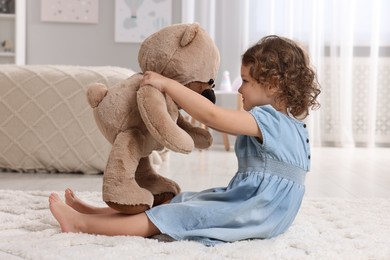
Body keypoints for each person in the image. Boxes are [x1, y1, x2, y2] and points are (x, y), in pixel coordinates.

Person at [49, 35, 321, 246]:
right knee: (182, 201)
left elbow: (212, 115)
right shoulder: (293, 125)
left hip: (255, 210)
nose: (239, 88)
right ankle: (95, 214)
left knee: (177, 216)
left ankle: (82, 225)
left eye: (246, 81)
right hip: (262, 209)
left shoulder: (268, 120)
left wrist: (168, 85)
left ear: (272, 84)